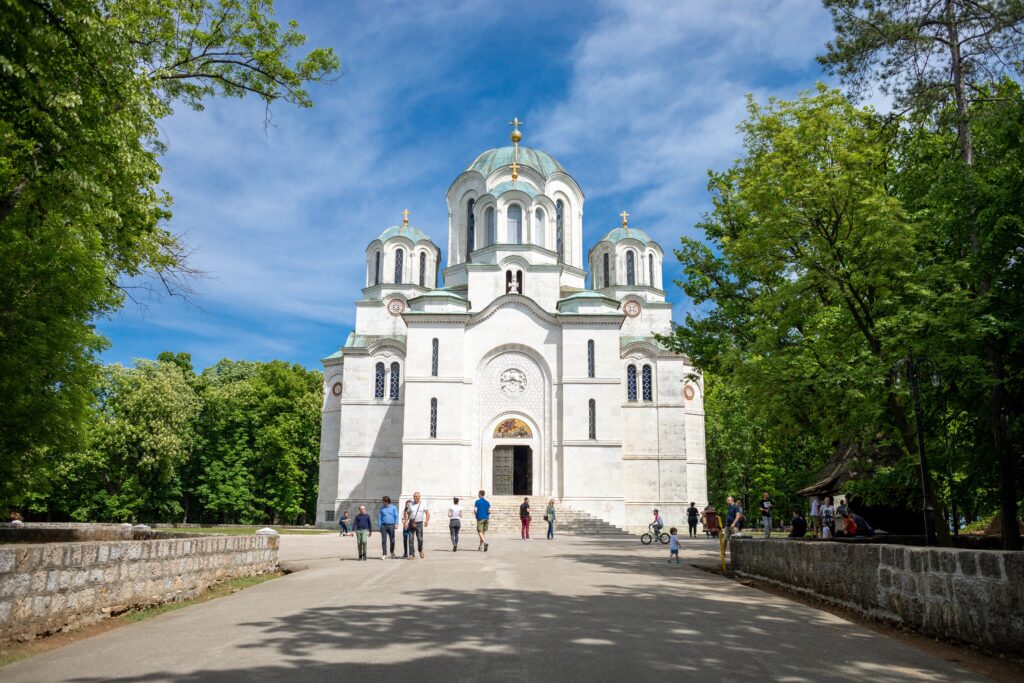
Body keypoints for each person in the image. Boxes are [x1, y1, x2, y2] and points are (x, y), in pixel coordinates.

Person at [406, 492, 430, 559]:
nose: (415, 498)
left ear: (419, 497)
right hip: (411, 522)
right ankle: (411, 554)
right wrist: (406, 522)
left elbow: (428, 513)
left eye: (416, 496)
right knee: (410, 539)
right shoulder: (410, 504)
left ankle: (420, 550)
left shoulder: (423, 504)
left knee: (420, 539)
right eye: (414, 496)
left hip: (419, 523)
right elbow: (407, 513)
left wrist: (426, 521)